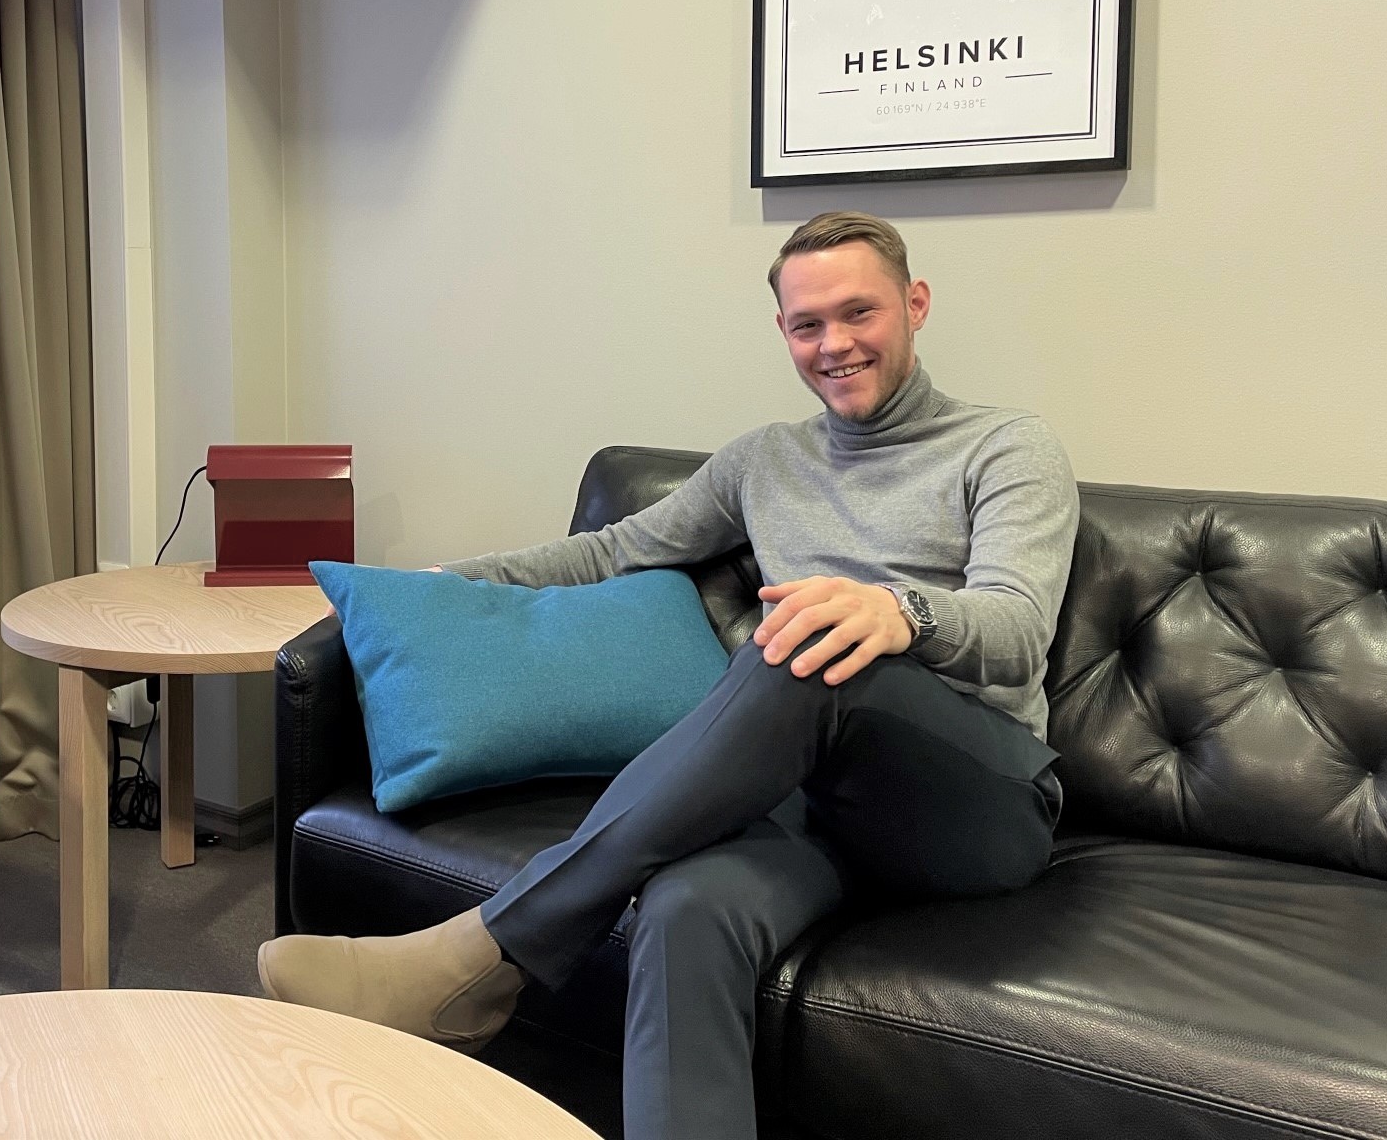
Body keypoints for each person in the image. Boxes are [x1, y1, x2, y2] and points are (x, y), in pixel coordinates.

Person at [257, 211, 1080, 1139]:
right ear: (782, 332)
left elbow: (1017, 629)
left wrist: (900, 611)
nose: (834, 343)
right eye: (807, 324)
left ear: (914, 304)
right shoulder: (765, 460)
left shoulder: (1006, 447)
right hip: (812, 807)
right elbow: (613, 551)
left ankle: (480, 954)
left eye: (860, 312)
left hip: (975, 802)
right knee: (685, 907)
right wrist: (438, 584)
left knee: (805, 641)